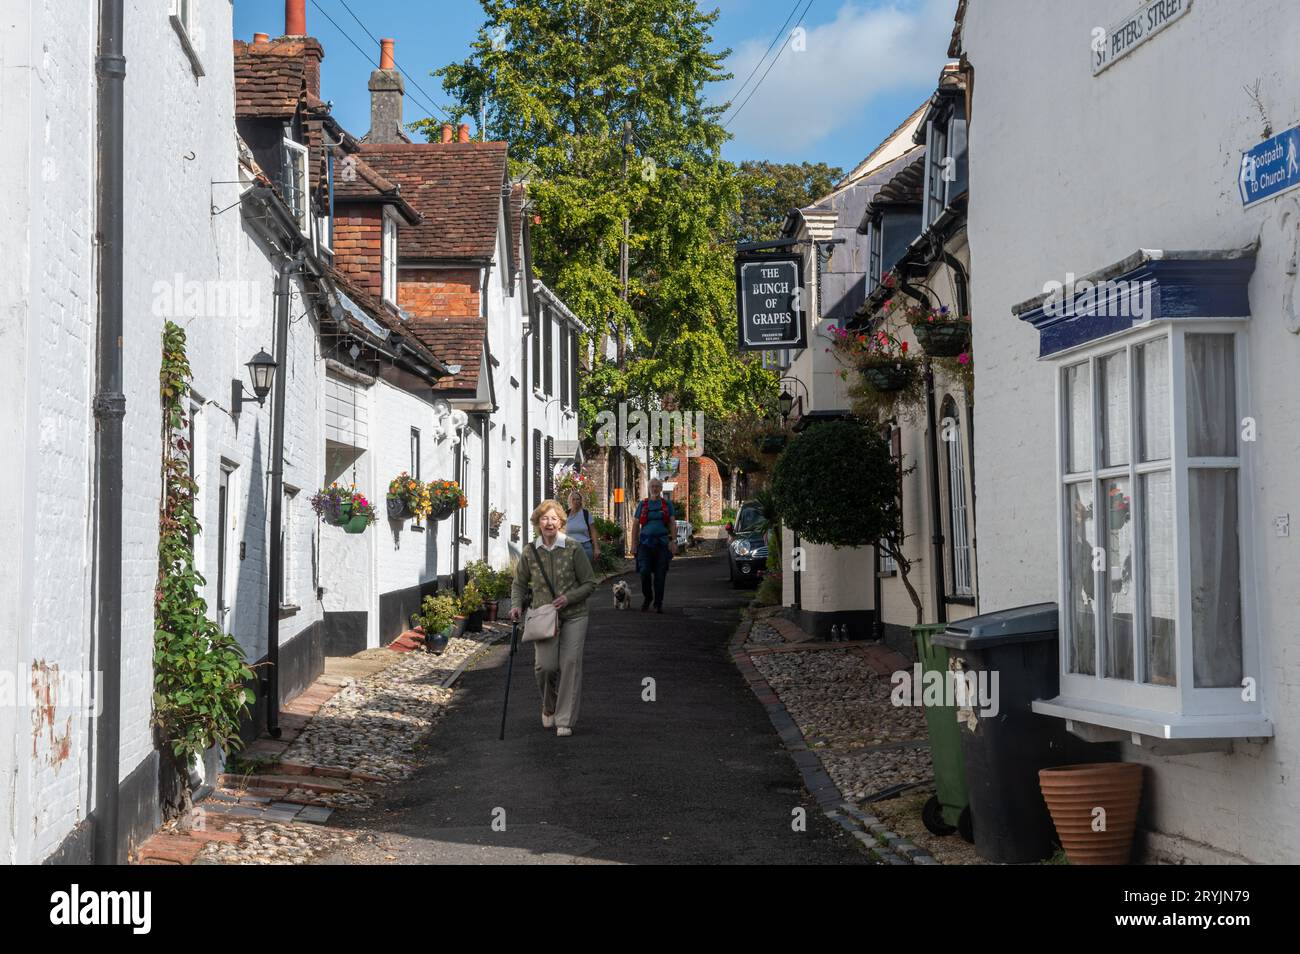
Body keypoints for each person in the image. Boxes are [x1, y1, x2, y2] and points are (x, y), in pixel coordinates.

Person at [510, 499, 596, 736]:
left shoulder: (573, 548)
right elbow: (518, 584)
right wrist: (516, 606)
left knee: (570, 663)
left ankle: (564, 720)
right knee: (545, 667)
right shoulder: (530, 551)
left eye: (554, 518)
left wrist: (569, 598)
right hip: (544, 616)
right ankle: (549, 706)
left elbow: (590, 583)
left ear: (561, 522)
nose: (549, 523)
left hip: (574, 615)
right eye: (544, 518)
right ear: (538, 522)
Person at [634, 478, 677, 613]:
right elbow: (635, 525)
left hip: (662, 544)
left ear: (661, 488)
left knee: (660, 575)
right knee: (644, 571)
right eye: (652, 486)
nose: (654, 488)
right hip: (645, 543)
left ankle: (658, 603)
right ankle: (648, 597)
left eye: (657, 486)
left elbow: (672, 523)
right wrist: (633, 544)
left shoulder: (667, 504)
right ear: (649, 488)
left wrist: (674, 541)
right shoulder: (643, 504)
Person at [565, 490, 601, 565]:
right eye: (573, 499)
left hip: (585, 547)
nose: (575, 501)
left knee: (585, 574)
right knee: (571, 573)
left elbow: (593, 532)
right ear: (570, 501)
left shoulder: (586, 514)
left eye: (577, 499)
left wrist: (596, 548)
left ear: (581, 500)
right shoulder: (565, 515)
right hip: (569, 548)